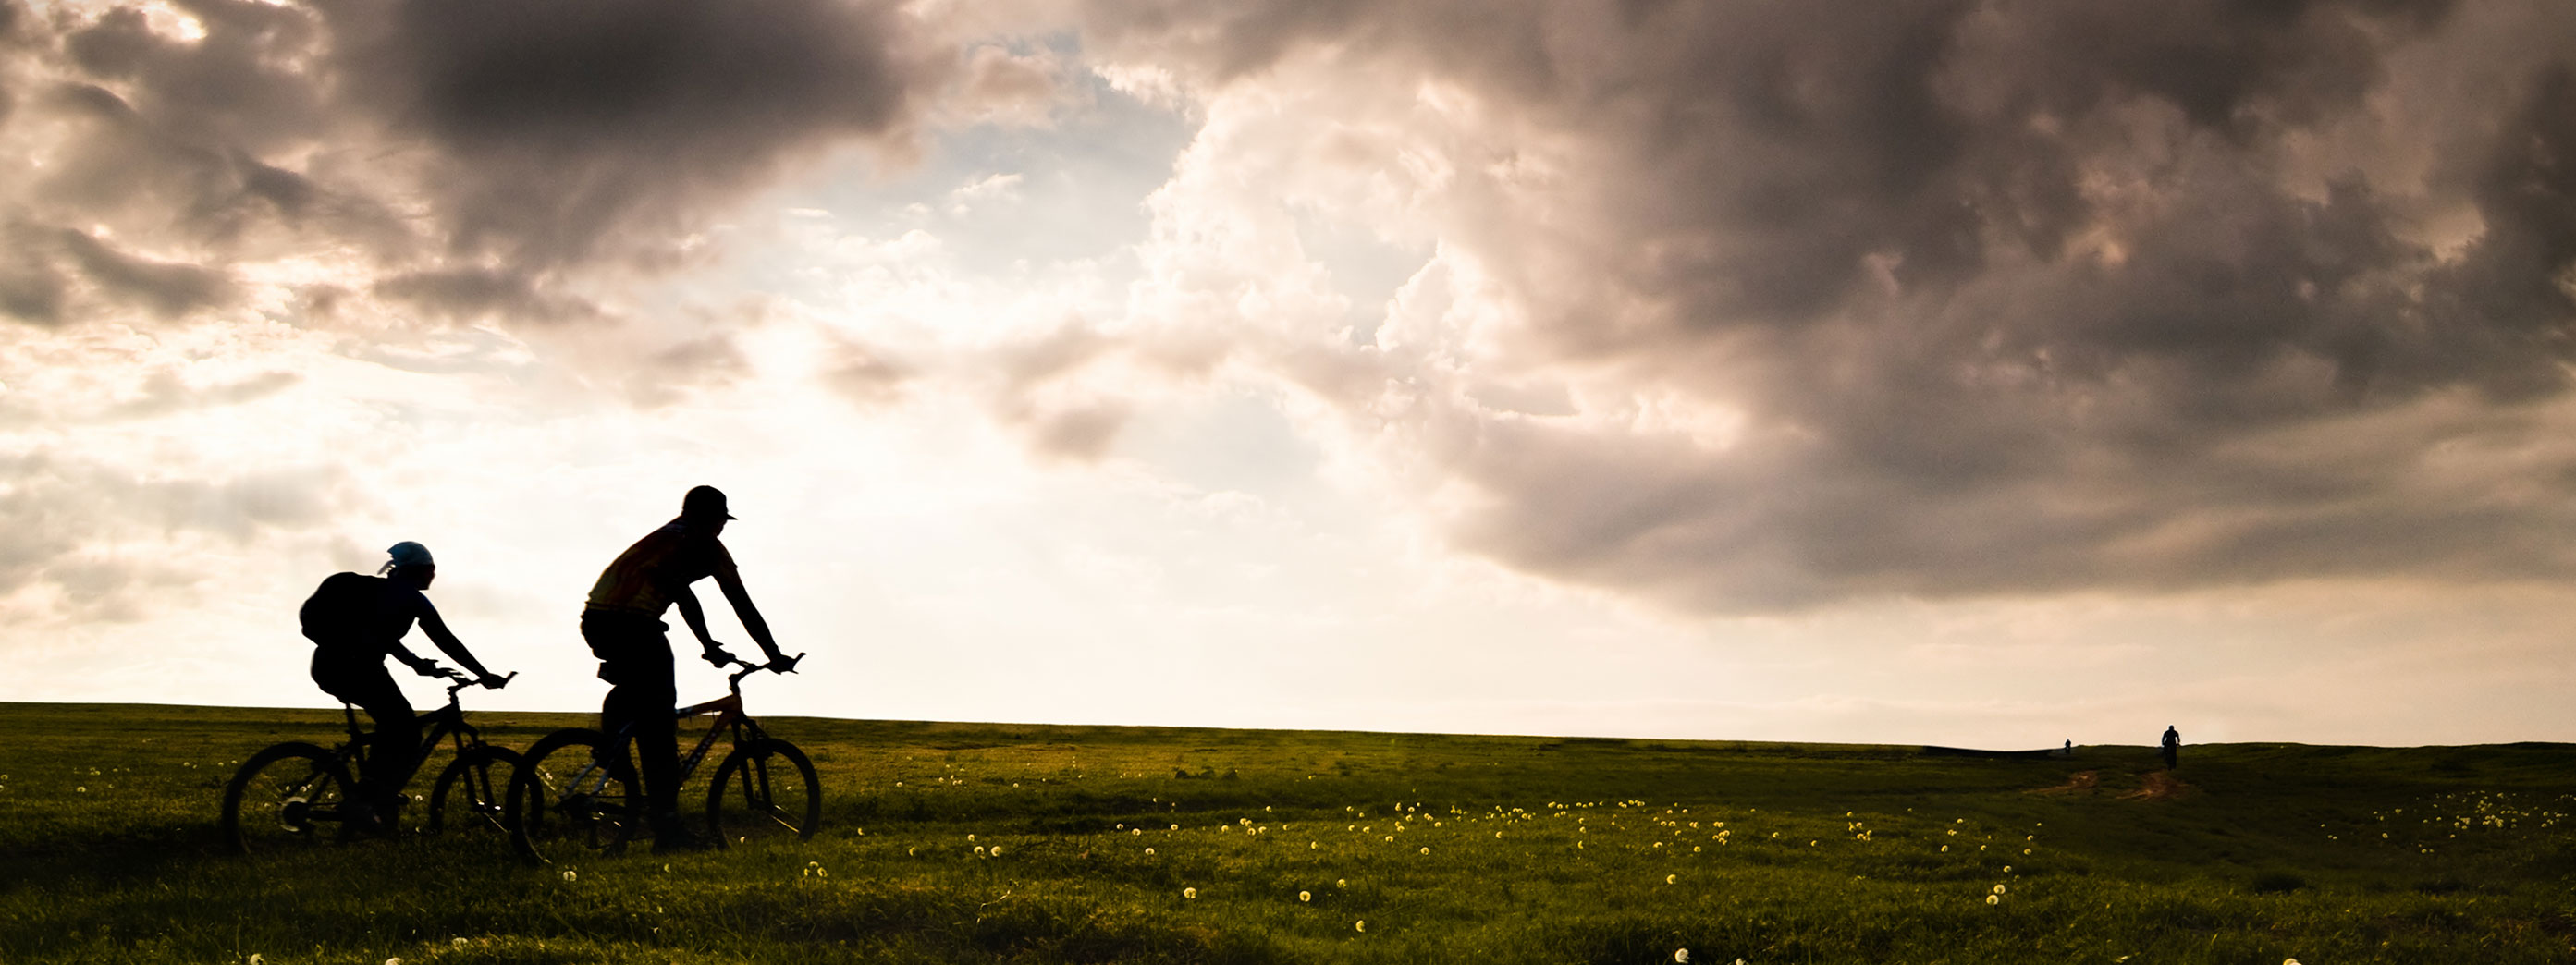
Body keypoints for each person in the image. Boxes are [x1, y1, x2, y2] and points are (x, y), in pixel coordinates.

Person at [582, 485, 788, 852]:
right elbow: (740, 601)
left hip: (597, 619)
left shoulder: (667, 538)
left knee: (643, 702)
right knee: (660, 726)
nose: (722, 529)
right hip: (634, 622)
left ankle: (613, 748)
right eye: (722, 521)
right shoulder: (705, 544)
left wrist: (708, 645)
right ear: (712, 519)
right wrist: (773, 653)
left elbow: (682, 595)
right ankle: (668, 831)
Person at [301, 541, 509, 835]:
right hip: (358, 668)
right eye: (431, 570)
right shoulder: (409, 598)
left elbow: (379, 636)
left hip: (329, 665)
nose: (434, 576)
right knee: (407, 731)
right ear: (419, 570)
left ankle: (375, 800)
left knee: (394, 728)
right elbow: (444, 638)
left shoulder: (380, 593)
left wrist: (417, 664)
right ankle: (360, 802)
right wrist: (483, 674)